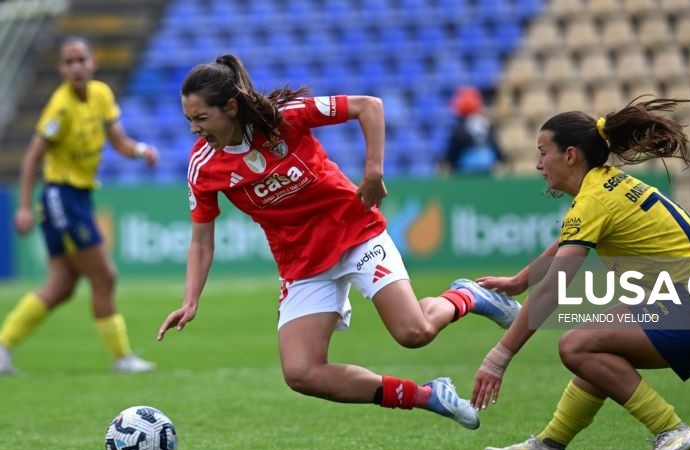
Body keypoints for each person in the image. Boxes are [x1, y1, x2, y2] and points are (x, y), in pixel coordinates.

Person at [156, 54, 521, 429]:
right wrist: (190, 299)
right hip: (302, 264)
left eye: (201, 119)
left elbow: (369, 107)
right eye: (189, 120)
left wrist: (373, 172)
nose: (194, 130)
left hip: (354, 233)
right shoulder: (203, 166)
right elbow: (202, 240)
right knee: (301, 372)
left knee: (414, 333)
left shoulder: (282, 117)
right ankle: (427, 395)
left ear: (231, 108)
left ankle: (467, 295)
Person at [468, 97, 690, 450]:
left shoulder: (593, 200)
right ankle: (550, 444)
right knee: (597, 342)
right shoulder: (603, 184)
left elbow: (554, 289)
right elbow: (571, 239)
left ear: (569, 156)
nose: (537, 164)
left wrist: (498, 358)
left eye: (542, 153)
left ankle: (672, 429)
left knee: (578, 346)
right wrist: (522, 279)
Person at [0, 36, 159, 375]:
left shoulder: (101, 94)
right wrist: (25, 207)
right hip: (61, 196)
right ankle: (122, 358)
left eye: (81, 60)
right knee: (105, 275)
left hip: (79, 196)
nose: (76, 67)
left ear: (92, 63)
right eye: (69, 62)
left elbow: (118, 141)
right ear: (61, 68)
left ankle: (2, 346)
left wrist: (142, 150)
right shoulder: (59, 107)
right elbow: (32, 158)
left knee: (61, 286)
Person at [439, 86, 504, 177]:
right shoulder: (487, 125)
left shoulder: (459, 128)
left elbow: (451, 154)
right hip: (488, 170)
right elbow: (498, 152)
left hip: (465, 172)